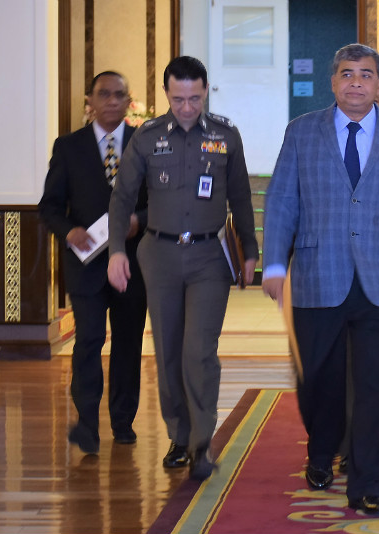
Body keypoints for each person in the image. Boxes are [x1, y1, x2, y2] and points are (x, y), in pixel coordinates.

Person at [261, 43, 379, 516]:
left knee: (375, 386)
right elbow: (281, 201)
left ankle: (368, 484)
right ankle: (321, 453)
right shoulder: (301, 132)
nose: (356, 82)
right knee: (320, 379)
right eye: (347, 73)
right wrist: (274, 264)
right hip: (318, 275)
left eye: (366, 75)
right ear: (332, 82)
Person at [107, 56, 259, 481]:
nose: (187, 107)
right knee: (169, 350)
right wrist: (117, 250)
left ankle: (201, 443)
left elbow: (242, 196)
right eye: (178, 99)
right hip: (160, 255)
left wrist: (250, 251)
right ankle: (179, 433)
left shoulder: (226, 135)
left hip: (210, 258)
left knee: (199, 352)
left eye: (194, 98)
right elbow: (122, 199)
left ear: (206, 90)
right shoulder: (148, 138)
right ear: (166, 93)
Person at [39, 71, 148, 455]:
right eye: (104, 94)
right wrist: (68, 231)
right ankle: (86, 425)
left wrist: (141, 221)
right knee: (88, 340)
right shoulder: (68, 147)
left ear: (128, 101)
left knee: (128, 341)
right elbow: (49, 206)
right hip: (84, 263)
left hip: (132, 263)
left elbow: (159, 204)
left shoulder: (143, 143)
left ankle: (122, 421)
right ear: (90, 100)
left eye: (120, 95)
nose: (112, 101)